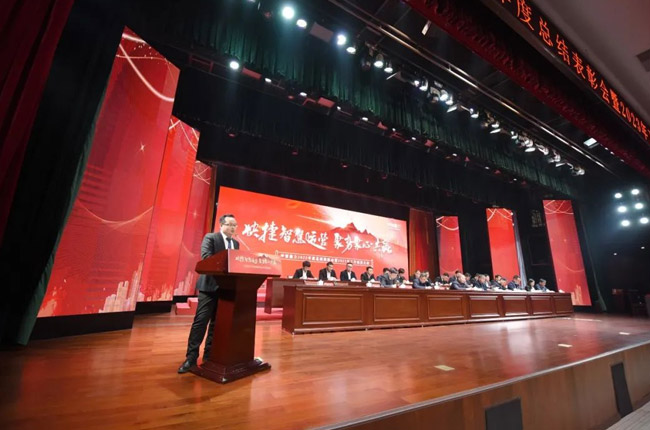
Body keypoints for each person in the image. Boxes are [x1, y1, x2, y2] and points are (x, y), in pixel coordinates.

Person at [178, 214, 239, 374]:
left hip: (226, 289)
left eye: (235, 225)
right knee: (201, 322)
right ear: (221, 225)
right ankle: (191, 358)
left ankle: (209, 355)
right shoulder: (211, 238)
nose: (233, 227)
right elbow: (207, 258)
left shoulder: (236, 243)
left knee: (216, 324)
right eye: (230, 224)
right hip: (209, 287)